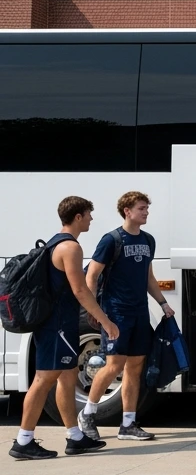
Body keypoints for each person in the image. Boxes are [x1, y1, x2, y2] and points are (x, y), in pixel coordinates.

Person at [10, 197, 115, 460]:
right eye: (89, 214)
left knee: (67, 378)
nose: (91, 219)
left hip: (59, 324)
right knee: (43, 379)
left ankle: (75, 437)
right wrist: (104, 320)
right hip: (57, 325)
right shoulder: (70, 247)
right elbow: (80, 290)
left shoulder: (57, 242)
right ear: (77, 217)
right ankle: (24, 441)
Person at [79, 191, 175, 443]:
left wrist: (163, 303)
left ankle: (128, 424)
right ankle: (87, 414)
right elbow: (92, 275)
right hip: (116, 313)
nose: (146, 212)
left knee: (135, 368)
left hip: (139, 312)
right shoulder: (111, 240)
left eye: (146, 208)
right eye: (141, 208)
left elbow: (148, 278)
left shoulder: (148, 240)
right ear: (127, 211)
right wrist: (94, 310)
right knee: (114, 365)